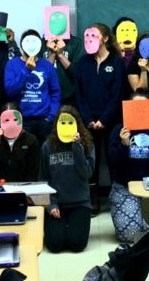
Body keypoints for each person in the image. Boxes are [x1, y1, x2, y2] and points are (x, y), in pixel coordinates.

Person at [107, 91, 149, 243]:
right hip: (125, 187)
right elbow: (113, 163)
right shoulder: (119, 130)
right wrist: (124, 145)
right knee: (130, 235)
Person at [74, 22, 125, 211]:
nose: (89, 39)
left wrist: (104, 119)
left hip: (110, 120)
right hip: (88, 121)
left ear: (104, 38)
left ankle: (116, 200)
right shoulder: (82, 63)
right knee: (91, 160)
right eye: (87, 36)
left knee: (113, 159)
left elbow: (117, 93)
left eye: (94, 36)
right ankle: (92, 199)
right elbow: (79, 95)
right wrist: (88, 119)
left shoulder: (117, 62)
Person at [39, 106, 95, 253]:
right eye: (62, 123)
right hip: (57, 205)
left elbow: (86, 173)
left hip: (80, 203)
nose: (66, 127)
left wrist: (77, 147)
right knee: (54, 245)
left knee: (77, 245)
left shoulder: (87, 144)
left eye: (70, 123)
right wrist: (51, 205)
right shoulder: (47, 146)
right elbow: (43, 180)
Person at [5, 29, 61, 142]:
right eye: (28, 42)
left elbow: (55, 92)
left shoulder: (47, 66)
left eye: (34, 42)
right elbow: (10, 91)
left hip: (44, 120)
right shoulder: (12, 64)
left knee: (45, 155)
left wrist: (51, 116)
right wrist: (26, 70)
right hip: (21, 120)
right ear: (21, 45)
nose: (31, 45)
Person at [0, 103, 43, 184]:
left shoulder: (31, 140)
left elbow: (33, 174)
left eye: (15, 120)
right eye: (6, 120)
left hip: (23, 190)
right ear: (0, 120)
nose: (11, 124)